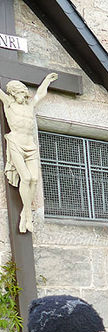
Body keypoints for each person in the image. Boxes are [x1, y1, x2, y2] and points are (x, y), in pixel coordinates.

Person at [0, 72, 57, 233]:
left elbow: (40, 94)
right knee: (25, 178)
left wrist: (46, 80)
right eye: (16, 92)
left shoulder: (29, 106)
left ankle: (25, 213)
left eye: (21, 92)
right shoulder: (9, 104)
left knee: (34, 178)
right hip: (16, 143)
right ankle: (26, 214)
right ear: (12, 93)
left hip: (30, 145)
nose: (19, 95)